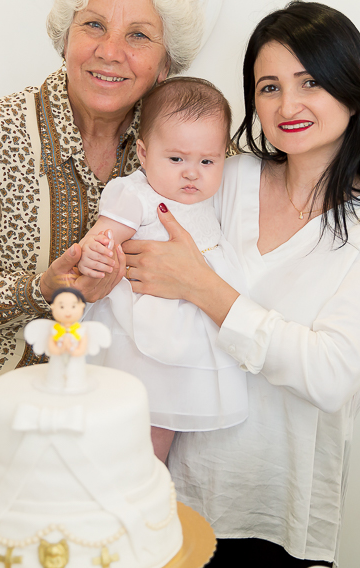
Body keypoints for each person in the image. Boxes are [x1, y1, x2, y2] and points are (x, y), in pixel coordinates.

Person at [0, 0, 360, 532]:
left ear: (165, 63)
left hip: (118, 449)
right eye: (94, 26)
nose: (111, 51)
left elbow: (311, 176)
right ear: (65, 36)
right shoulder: (0, 132)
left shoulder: (194, 153)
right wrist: (43, 287)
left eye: (139, 34)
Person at [120, 1, 360, 567]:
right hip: (173, 498)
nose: (288, 105)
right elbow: (136, 203)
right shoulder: (221, 177)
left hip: (277, 518)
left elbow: (331, 374)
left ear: (353, 89)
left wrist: (203, 287)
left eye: (310, 82)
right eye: (269, 87)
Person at [78, 77, 248, 463]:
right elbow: (102, 238)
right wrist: (95, 254)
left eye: (208, 161)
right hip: (141, 336)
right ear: (143, 152)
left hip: (191, 339)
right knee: (130, 427)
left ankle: (147, 491)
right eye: (176, 159)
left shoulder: (215, 196)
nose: (192, 173)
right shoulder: (136, 194)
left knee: (164, 430)